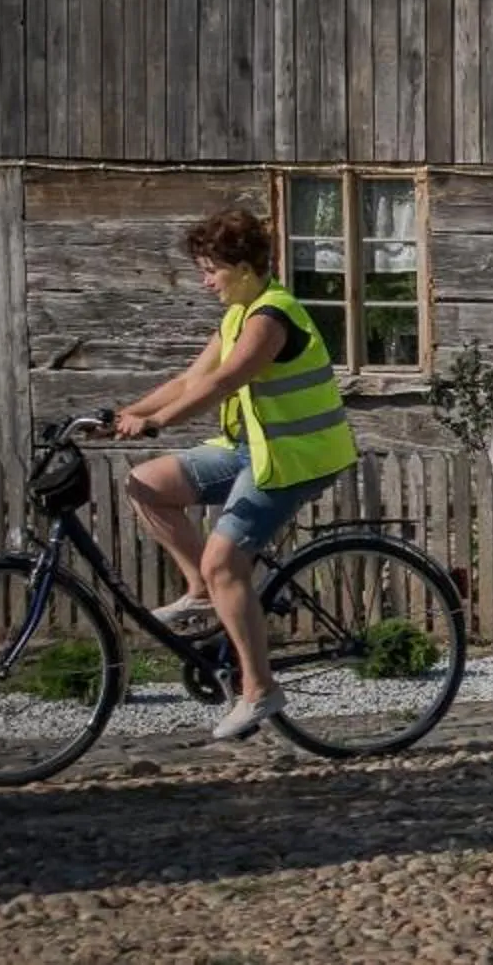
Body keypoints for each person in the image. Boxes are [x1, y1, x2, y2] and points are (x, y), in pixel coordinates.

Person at [113, 209, 359, 740]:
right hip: (251, 449)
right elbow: (190, 379)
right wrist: (120, 417)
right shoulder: (237, 315)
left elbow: (225, 380)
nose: (206, 281)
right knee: (145, 484)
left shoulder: (272, 318)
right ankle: (202, 589)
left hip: (296, 457)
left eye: (211, 269)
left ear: (244, 267)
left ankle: (259, 689)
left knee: (226, 560)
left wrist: (156, 422)